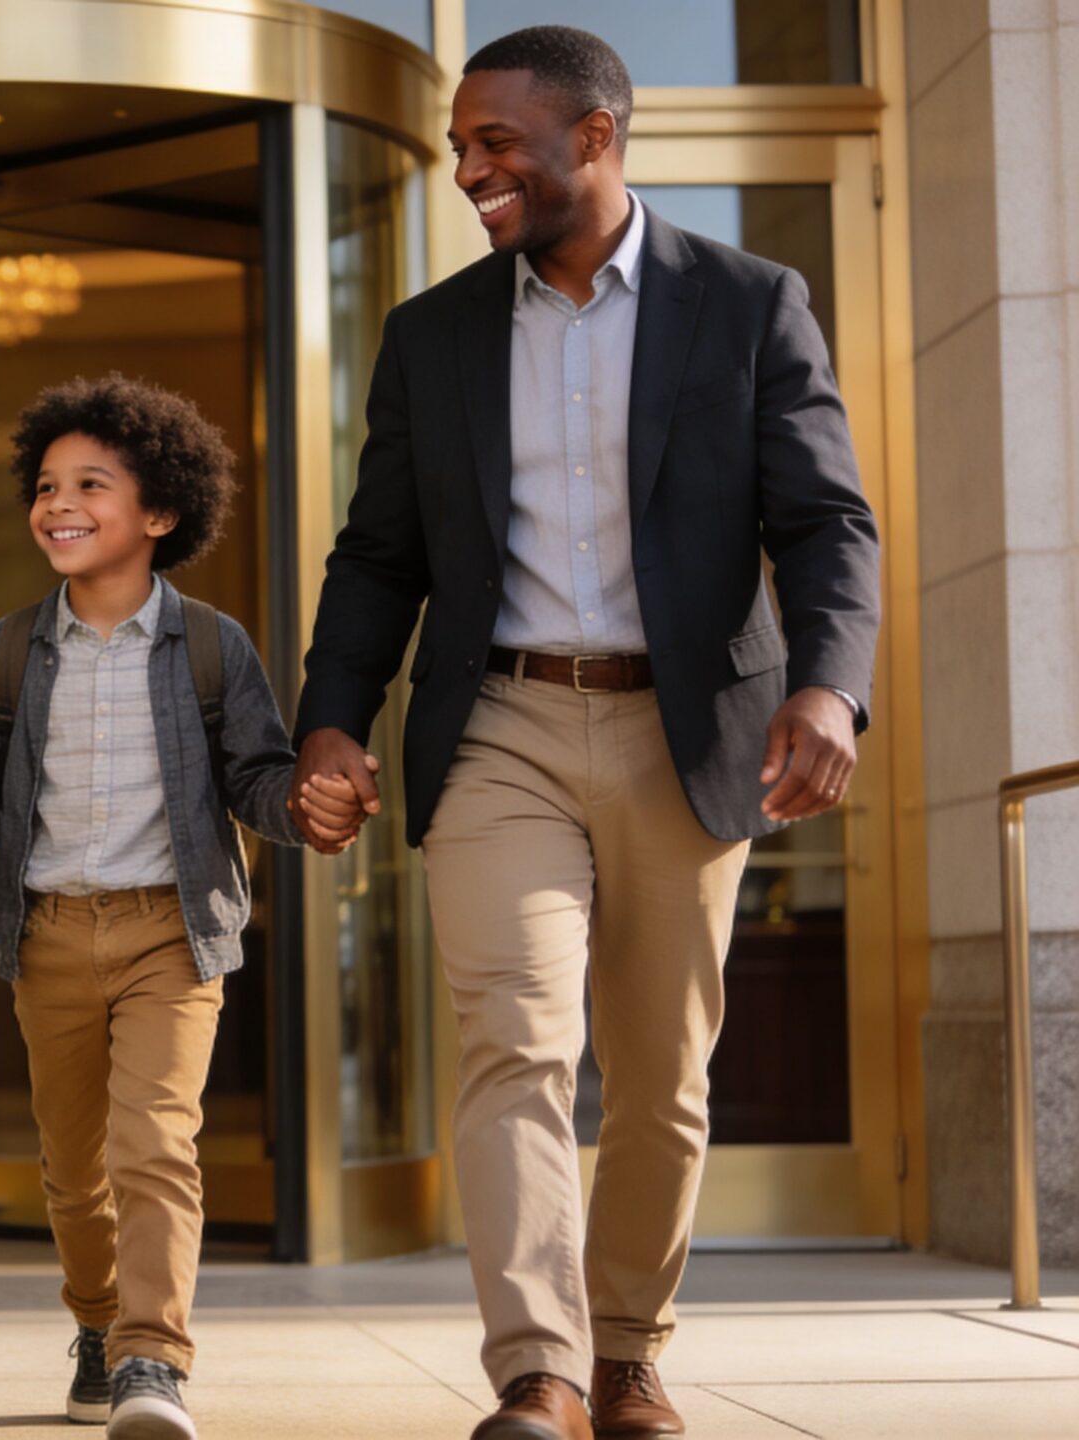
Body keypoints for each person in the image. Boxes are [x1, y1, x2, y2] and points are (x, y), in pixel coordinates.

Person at [287, 26, 880, 1440]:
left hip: (689, 731)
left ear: (596, 141)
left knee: (666, 1077)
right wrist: (331, 720)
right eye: (459, 143)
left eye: (497, 143)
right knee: (515, 1042)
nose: (468, 167)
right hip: (500, 724)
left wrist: (827, 686)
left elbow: (824, 520)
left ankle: (627, 1349)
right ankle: (539, 1370)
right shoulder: (430, 334)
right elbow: (379, 557)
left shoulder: (747, 301)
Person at [0, 376, 325, 1440]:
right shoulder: (12, 651)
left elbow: (257, 777)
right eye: (44, 485)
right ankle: (96, 1321)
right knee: (74, 1175)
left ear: (159, 513)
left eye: (88, 485)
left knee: (154, 1143)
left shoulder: (212, 646)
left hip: (174, 929)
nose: (56, 503)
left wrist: (308, 806)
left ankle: (152, 1360)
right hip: (49, 933)